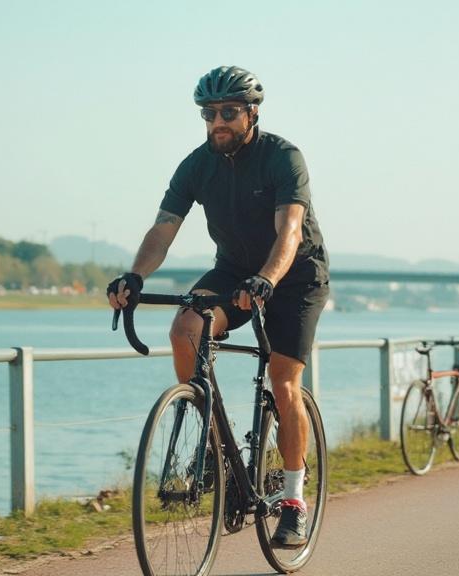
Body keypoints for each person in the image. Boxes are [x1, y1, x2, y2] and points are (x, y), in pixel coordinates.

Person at [107, 65, 329, 549]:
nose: (217, 122)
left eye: (228, 112)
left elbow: (289, 230)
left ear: (252, 114)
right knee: (185, 327)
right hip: (233, 271)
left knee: (283, 377)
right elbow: (164, 228)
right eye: (209, 113)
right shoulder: (196, 165)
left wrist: (268, 280)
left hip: (294, 275)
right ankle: (211, 444)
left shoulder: (282, 157)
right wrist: (136, 276)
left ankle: (293, 499)